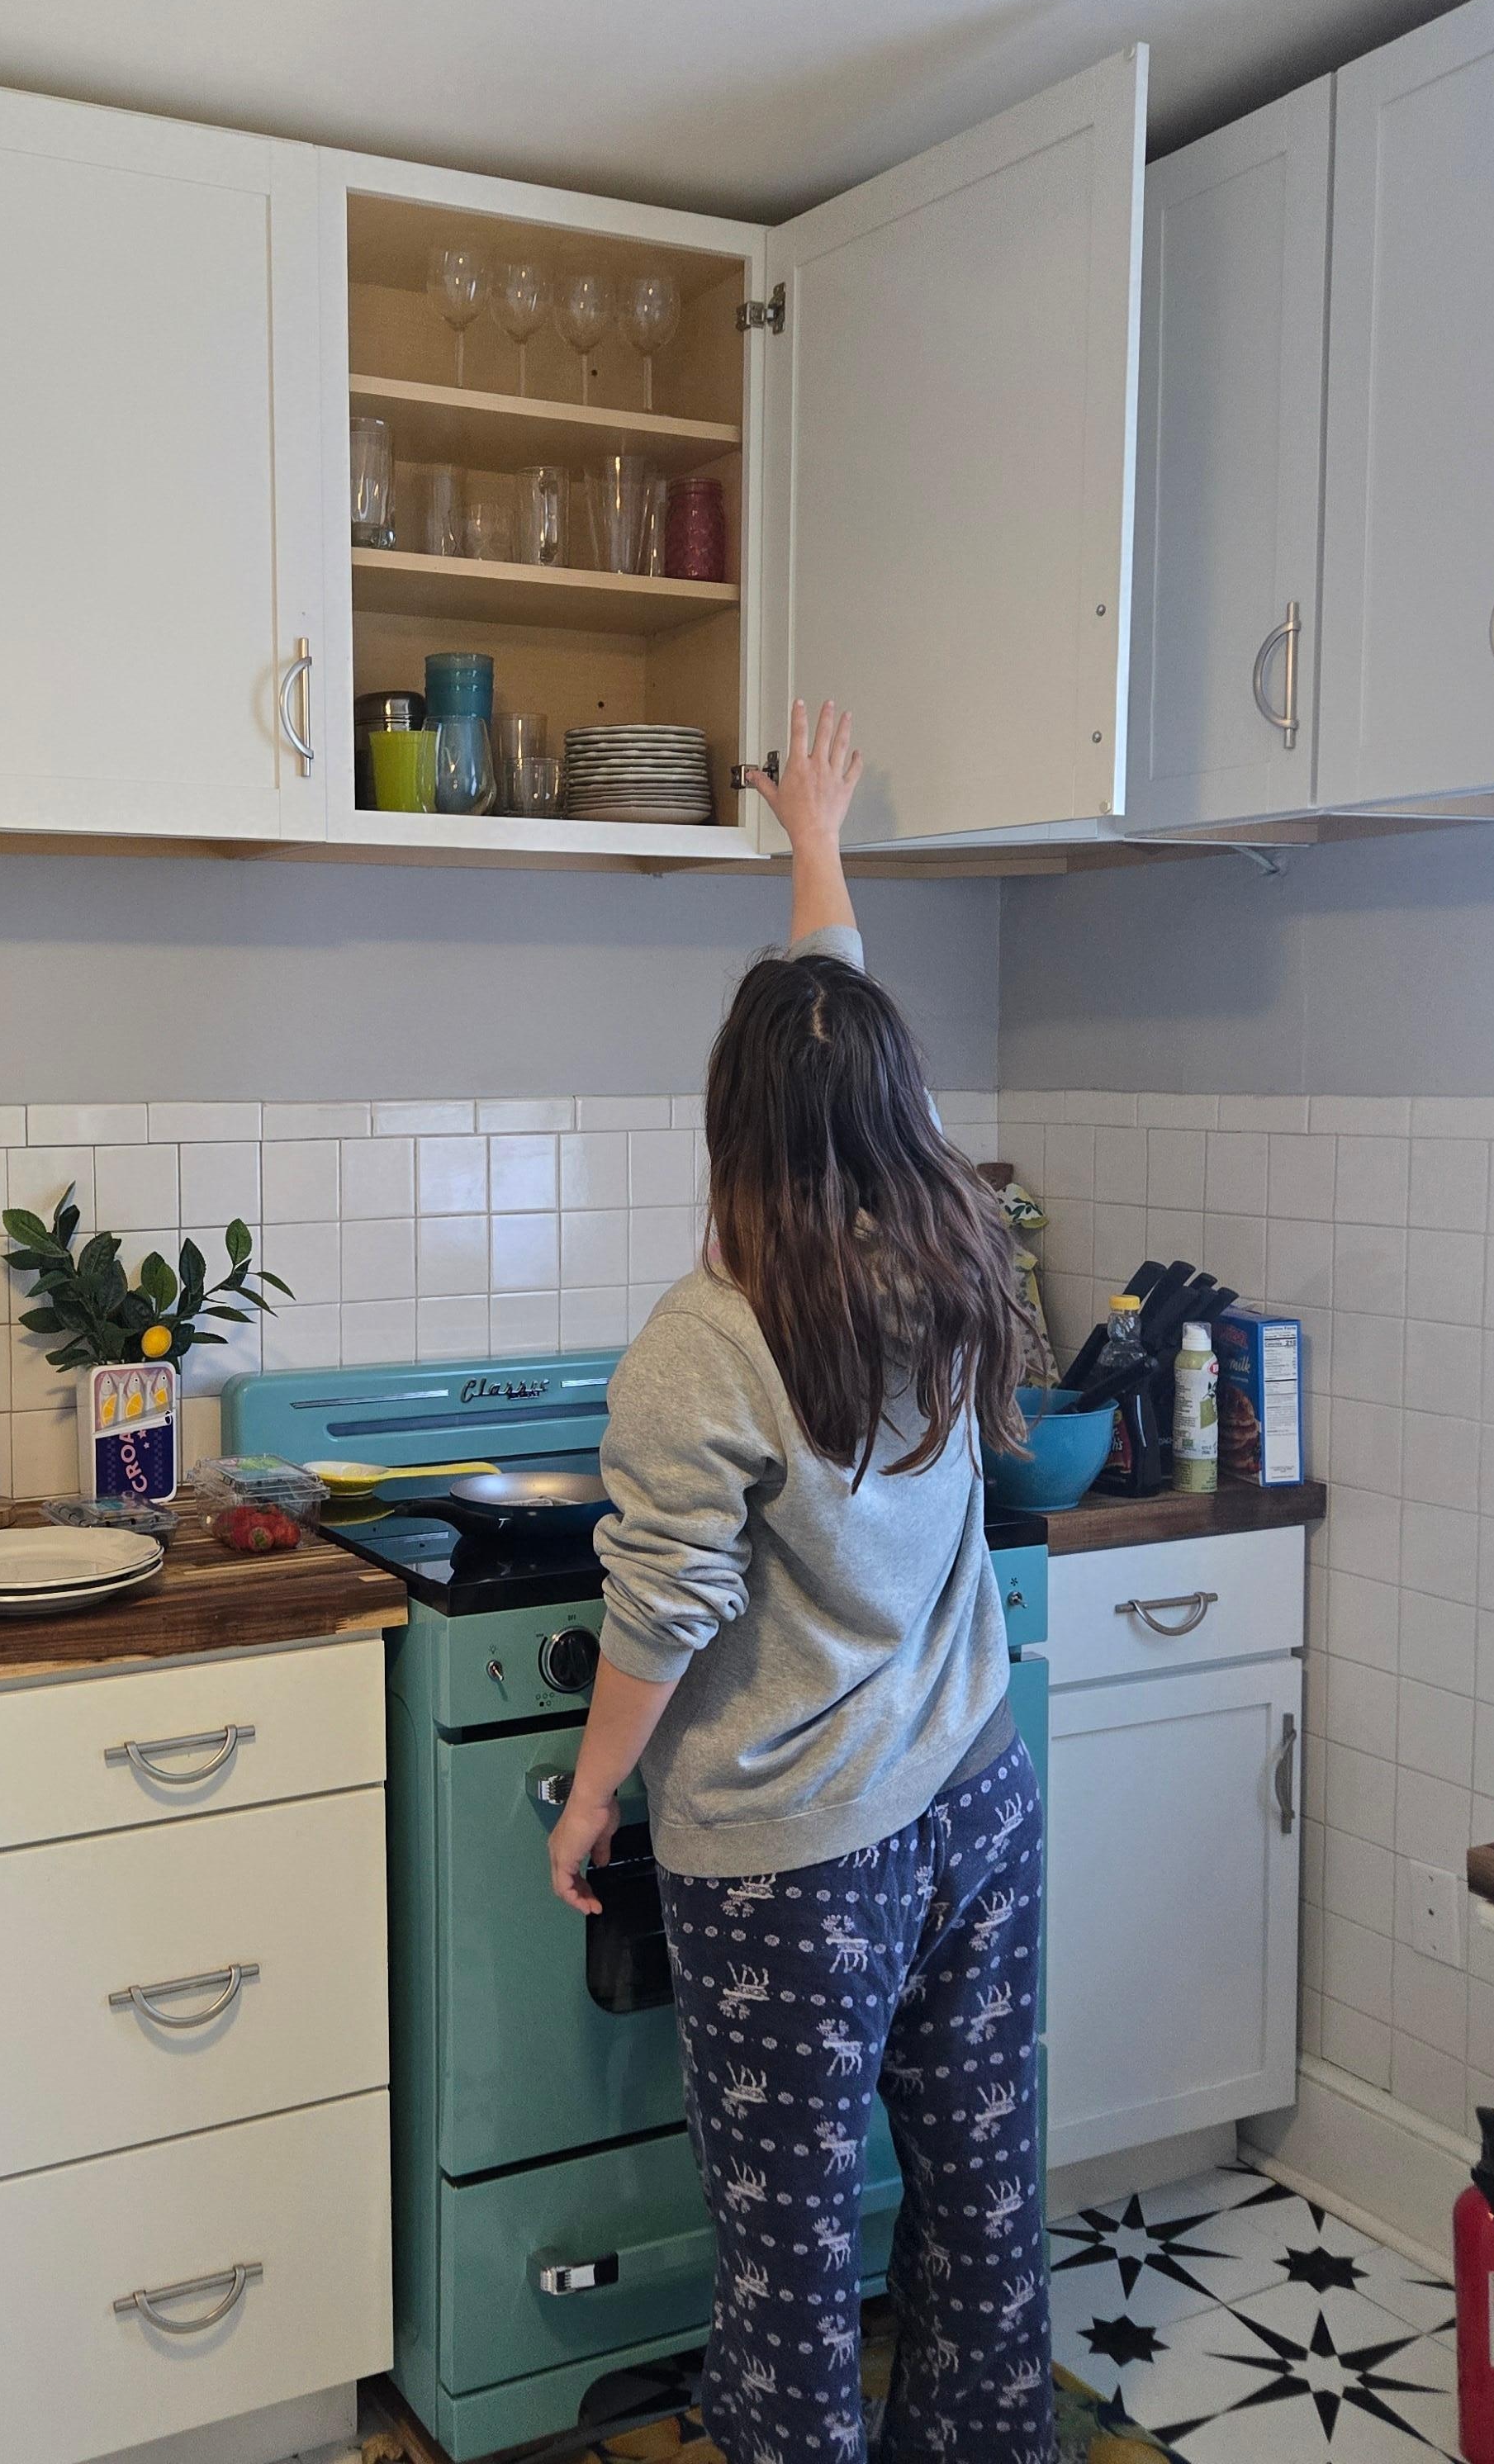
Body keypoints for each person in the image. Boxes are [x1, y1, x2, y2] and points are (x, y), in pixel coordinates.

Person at [546, 700, 1051, 2464]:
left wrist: (592, 1794)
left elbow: (663, 1604)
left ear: (724, 1116)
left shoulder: (700, 1339)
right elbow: (833, 1037)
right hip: (971, 1797)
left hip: (793, 1861)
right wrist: (811, 845)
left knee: (783, 2269)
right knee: (979, 2202)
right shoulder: (949, 1242)